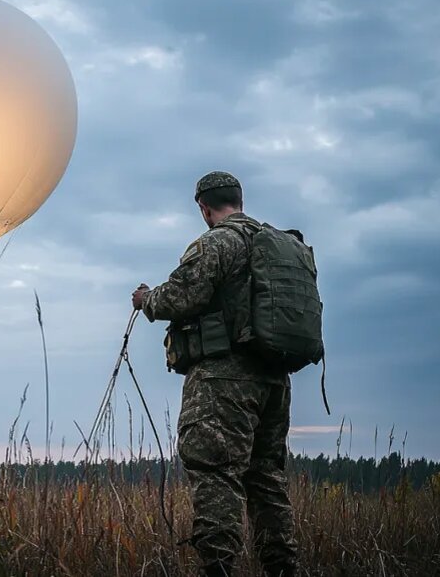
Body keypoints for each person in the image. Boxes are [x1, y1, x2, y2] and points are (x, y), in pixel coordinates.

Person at [131, 172, 298, 577]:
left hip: (223, 380)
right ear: (240, 200)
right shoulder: (278, 244)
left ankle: (219, 569)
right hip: (275, 381)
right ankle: (283, 569)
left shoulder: (217, 242)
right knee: (267, 482)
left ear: (203, 208)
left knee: (217, 476)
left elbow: (181, 296)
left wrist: (145, 299)